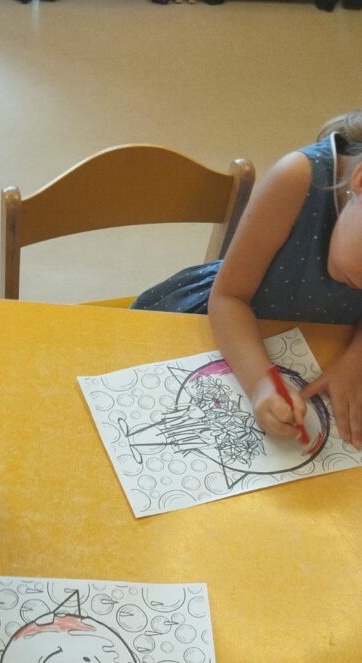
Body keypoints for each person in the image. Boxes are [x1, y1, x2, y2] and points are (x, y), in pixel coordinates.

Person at [132, 111, 362, 449]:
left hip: (326, 347)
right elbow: (229, 297)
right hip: (227, 326)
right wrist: (261, 383)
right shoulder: (297, 178)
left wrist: (355, 358)